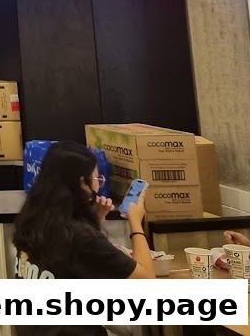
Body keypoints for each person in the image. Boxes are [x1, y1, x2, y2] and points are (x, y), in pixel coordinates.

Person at [12, 141, 153, 334]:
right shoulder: (78, 235)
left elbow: (71, 265)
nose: (98, 183)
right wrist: (135, 221)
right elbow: (146, 280)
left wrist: (95, 219)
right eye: (96, 177)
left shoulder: (33, 218)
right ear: (82, 182)